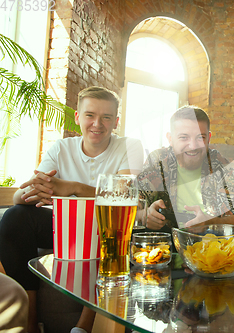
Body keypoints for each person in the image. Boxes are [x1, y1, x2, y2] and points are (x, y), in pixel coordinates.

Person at [0, 86, 144, 333]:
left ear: (116, 121)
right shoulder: (61, 148)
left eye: (106, 117)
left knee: (116, 229)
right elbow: (20, 196)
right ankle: (30, 321)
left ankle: (83, 326)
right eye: (90, 115)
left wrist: (72, 187)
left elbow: (125, 195)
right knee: (15, 216)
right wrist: (34, 190)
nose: (97, 124)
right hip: (65, 228)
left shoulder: (129, 146)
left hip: (103, 228)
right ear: (78, 118)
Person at [137, 106, 234, 230]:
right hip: (163, 241)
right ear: (170, 139)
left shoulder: (220, 164)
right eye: (184, 137)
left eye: (200, 137)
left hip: (209, 241)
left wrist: (209, 222)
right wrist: (144, 215)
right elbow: (131, 206)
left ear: (209, 138)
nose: (193, 146)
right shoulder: (158, 161)